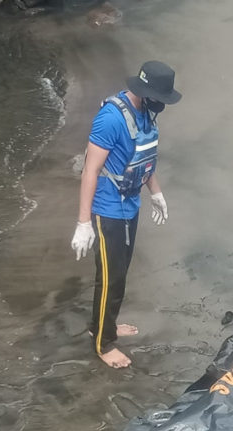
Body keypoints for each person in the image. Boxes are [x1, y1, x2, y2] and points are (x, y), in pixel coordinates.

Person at [70, 61, 181, 368]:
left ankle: (105, 325)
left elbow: (144, 160)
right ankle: (102, 344)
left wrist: (155, 192)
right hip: (107, 211)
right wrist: (83, 222)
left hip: (130, 205)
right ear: (145, 92)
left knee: (119, 275)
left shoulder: (146, 114)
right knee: (110, 278)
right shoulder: (110, 119)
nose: (162, 104)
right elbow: (90, 170)